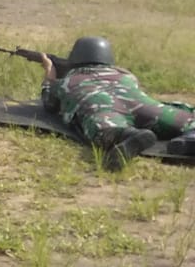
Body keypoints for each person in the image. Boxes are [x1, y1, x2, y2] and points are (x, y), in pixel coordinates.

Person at [40, 36, 195, 169]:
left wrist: (49, 74)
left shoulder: (66, 82)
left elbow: (49, 103)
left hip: (107, 109)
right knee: (185, 119)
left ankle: (131, 136)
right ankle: (188, 139)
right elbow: (134, 80)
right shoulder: (126, 77)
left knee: (105, 131)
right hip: (144, 107)